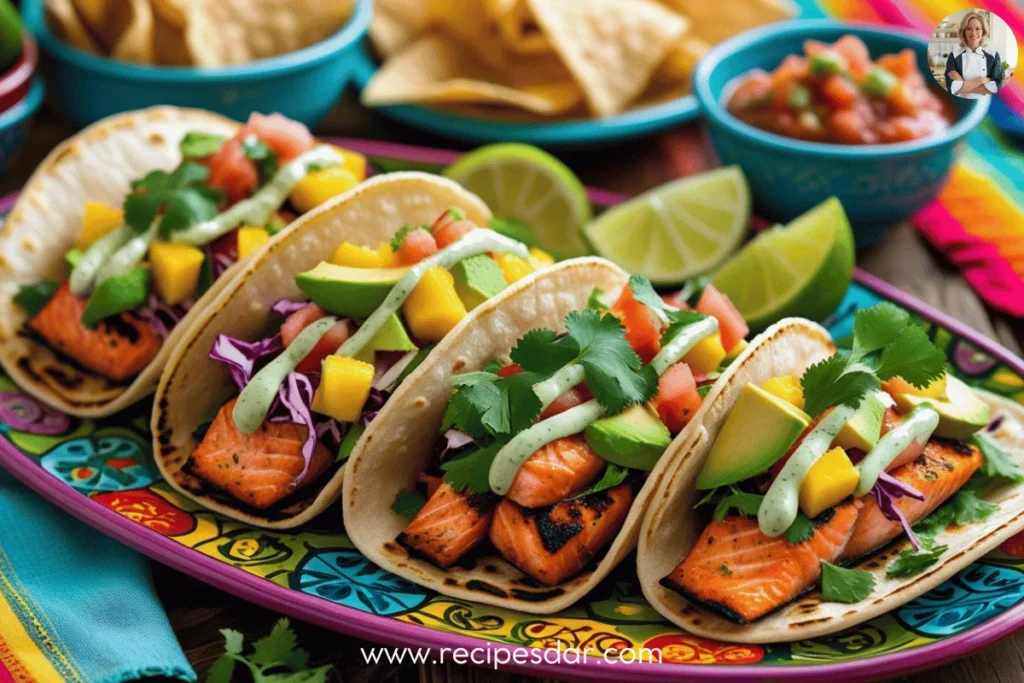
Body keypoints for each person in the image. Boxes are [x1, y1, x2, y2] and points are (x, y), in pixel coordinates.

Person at [944, 11, 1004, 98]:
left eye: (978, 29)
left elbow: (996, 87)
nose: (973, 33)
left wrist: (963, 85)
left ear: (983, 31)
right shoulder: (954, 56)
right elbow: (952, 88)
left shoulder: (993, 56)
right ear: (964, 32)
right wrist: (982, 80)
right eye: (969, 29)